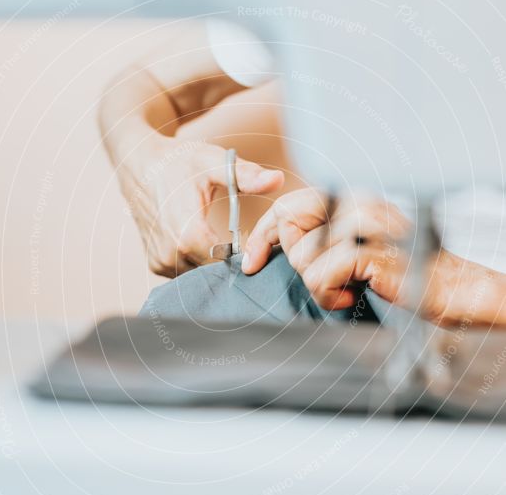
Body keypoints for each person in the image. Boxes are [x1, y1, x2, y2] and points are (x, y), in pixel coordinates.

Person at [99, 19, 506, 329]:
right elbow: (141, 87)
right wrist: (150, 166)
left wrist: (473, 290)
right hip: (360, 286)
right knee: (183, 316)